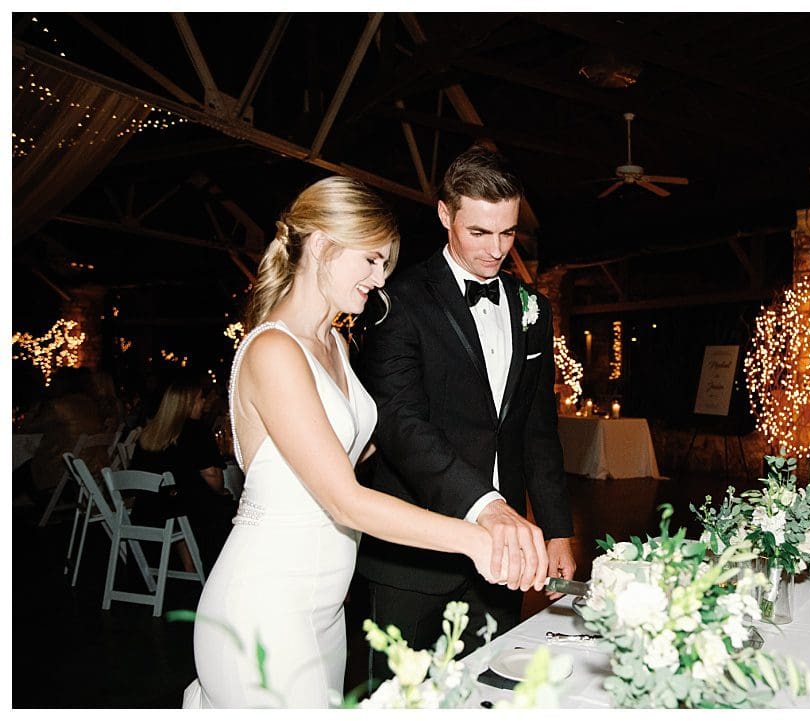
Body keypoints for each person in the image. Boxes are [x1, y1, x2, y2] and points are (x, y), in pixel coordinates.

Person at [184, 176, 539, 708]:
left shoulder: (335, 341)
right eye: (371, 260)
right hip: (267, 602)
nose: (379, 279)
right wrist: (475, 536)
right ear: (324, 245)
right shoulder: (274, 351)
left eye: (385, 265)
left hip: (323, 608)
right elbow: (343, 498)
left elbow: (364, 446)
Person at [353, 146, 573, 682]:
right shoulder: (396, 300)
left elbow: (537, 427)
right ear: (445, 215)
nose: (496, 250)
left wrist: (557, 529)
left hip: (504, 558)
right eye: (480, 232)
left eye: (508, 233)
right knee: (399, 699)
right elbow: (400, 424)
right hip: (413, 555)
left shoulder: (533, 307)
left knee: (495, 688)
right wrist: (486, 507)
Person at [126, 377, 236, 566]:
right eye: (201, 398)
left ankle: (190, 567)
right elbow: (212, 475)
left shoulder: (150, 433)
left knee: (185, 498)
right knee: (229, 506)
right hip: (182, 511)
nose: (204, 403)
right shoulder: (196, 431)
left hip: (148, 510)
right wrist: (222, 491)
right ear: (188, 403)